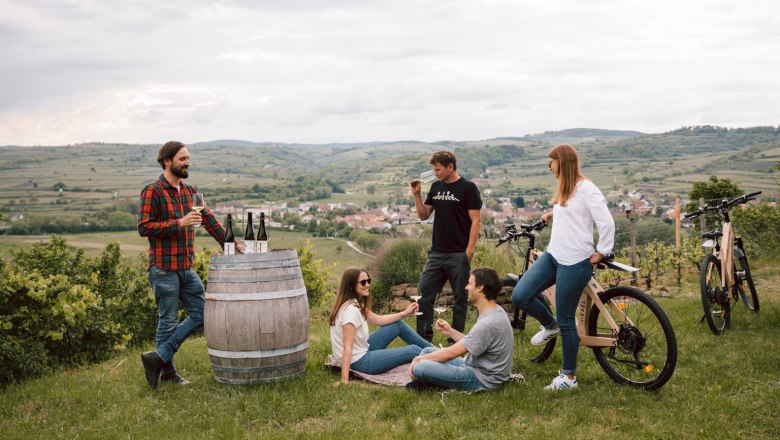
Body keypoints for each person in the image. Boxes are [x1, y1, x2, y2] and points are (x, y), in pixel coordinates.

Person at [137, 140, 243, 389]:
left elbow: (209, 221)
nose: (187, 163)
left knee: (203, 313)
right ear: (167, 161)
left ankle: (159, 358)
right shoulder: (152, 190)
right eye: (182, 159)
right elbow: (144, 227)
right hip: (163, 269)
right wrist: (179, 223)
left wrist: (231, 243)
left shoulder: (190, 191)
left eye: (188, 158)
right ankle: (168, 373)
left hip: (186, 267)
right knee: (168, 320)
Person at [512, 144, 615, 390]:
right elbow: (570, 211)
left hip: (575, 262)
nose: (549, 166)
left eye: (552, 161)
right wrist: (550, 214)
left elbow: (606, 222)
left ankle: (569, 378)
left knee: (567, 318)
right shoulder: (566, 189)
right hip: (554, 256)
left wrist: (602, 251)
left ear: (563, 161)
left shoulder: (587, 188)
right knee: (520, 295)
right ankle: (550, 325)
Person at [410, 150, 482, 342]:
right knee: (424, 295)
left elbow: (476, 221)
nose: (436, 173)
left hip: (459, 254)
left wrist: (469, 251)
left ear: (450, 167)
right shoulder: (436, 187)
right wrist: (417, 195)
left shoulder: (468, 188)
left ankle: (455, 342)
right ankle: (423, 340)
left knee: (460, 299)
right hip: (436, 254)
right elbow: (424, 215)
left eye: (438, 169)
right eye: (434, 169)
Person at [408, 267, 514, 392]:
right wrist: (450, 331)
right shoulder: (495, 311)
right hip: (475, 366)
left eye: (469, 283)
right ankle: (434, 380)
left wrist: (418, 360)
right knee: (427, 351)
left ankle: (435, 383)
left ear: (480, 287)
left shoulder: (488, 322)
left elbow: (451, 353)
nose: (466, 287)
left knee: (421, 366)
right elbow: (475, 342)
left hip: (482, 379)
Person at [329, 267, 433, 384]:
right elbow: (347, 347)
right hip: (358, 362)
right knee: (413, 350)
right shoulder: (351, 311)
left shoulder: (353, 303)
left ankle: (434, 349)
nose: (367, 284)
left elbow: (378, 319)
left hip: (361, 351)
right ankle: (441, 356)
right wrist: (344, 380)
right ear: (351, 286)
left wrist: (404, 313)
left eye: (368, 280)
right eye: (363, 282)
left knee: (397, 325)